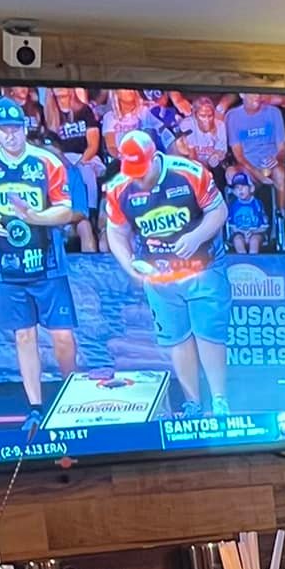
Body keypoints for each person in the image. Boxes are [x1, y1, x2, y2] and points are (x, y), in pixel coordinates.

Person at [0, 96, 82, 431]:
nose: (11, 135)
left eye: (16, 128)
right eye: (4, 129)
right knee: (24, 336)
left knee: (62, 336)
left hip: (47, 262)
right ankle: (35, 407)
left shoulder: (47, 162)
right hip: (5, 265)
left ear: (25, 128)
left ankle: (72, 392)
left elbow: (66, 210)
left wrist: (34, 216)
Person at [103, 128, 231, 417]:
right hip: (160, 275)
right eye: (132, 171)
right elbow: (116, 232)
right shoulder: (119, 188)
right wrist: (129, 265)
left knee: (209, 334)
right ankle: (193, 404)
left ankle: (220, 401)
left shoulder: (189, 173)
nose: (137, 177)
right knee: (177, 338)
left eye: (141, 170)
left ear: (154, 157)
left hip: (203, 266)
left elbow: (219, 211)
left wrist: (196, 236)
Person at [45, 86, 103, 252]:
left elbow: (93, 145)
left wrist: (76, 164)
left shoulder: (84, 111)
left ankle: (93, 216)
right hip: (47, 221)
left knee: (86, 172)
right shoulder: (38, 174)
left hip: (81, 158)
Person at [225, 91, 285, 222]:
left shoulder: (274, 113)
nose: (257, 96)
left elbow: (282, 148)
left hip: (271, 165)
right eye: (252, 93)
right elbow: (239, 156)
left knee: (280, 173)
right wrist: (259, 175)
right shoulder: (233, 116)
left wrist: (277, 159)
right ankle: (239, 221)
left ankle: (282, 217)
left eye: (258, 93)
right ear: (242, 94)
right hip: (248, 166)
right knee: (232, 173)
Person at [224, 167, 269, 253]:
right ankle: (242, 258)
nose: (240, 190)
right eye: (237, 188)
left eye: (243, 186)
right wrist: (243, 232)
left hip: (256, 232)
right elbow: (231, 226)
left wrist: (253, 231)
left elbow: (264, 226)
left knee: (254, 241)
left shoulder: (257, 204)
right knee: (237, 240)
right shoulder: (233, 206)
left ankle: (253, 259)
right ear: (234, 192)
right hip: (239, 232)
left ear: (251, 188)